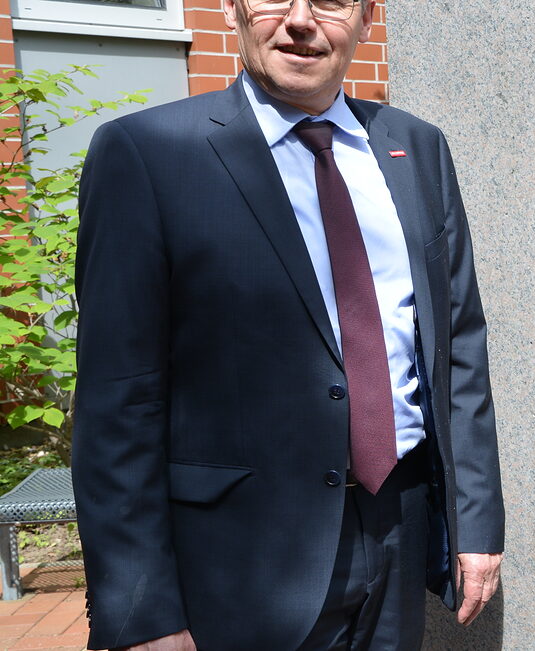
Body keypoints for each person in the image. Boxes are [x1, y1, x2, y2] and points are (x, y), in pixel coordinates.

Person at [72, 0, 506, 648]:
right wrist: (144, 611)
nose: (301, 20)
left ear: (366, 16)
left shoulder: (416, 149)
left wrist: (475, 522)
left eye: (330, 1)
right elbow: (117, 404)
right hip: (241, 560)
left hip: (399, 523)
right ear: (231, 8)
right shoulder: (147, 156)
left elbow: (459, 342)